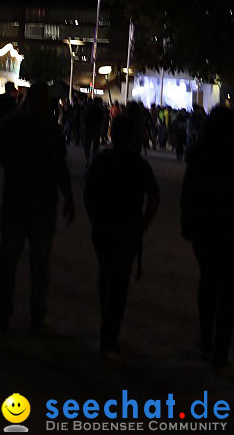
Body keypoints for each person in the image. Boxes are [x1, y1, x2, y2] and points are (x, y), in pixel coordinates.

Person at [0, 81, 75, 335]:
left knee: (9, 262)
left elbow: (0, 156)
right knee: (39, 265)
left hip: (17, 201)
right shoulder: (50, 130)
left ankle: (2, 317)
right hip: (41, 204)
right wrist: (68, 197)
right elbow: (59, 166)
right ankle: (36, 315)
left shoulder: (12, 125)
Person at [84, 114, 160, 359]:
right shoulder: (138, 165)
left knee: (106, 276)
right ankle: (109, 333)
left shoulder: (102, 160)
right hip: (127, 229)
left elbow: (88, 193)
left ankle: (107, 328)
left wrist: (94, 217)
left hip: (106, 227)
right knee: (119, 281)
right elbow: (154, 197)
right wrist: (143, 224)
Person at [181, 106, 234, 375]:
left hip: (204, 227)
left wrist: (186, 221)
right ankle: (220, 352)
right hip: (228, 228)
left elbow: (188, 190)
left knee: (208, 282)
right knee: (227, 292)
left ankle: (205, 340)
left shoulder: (200, 153)